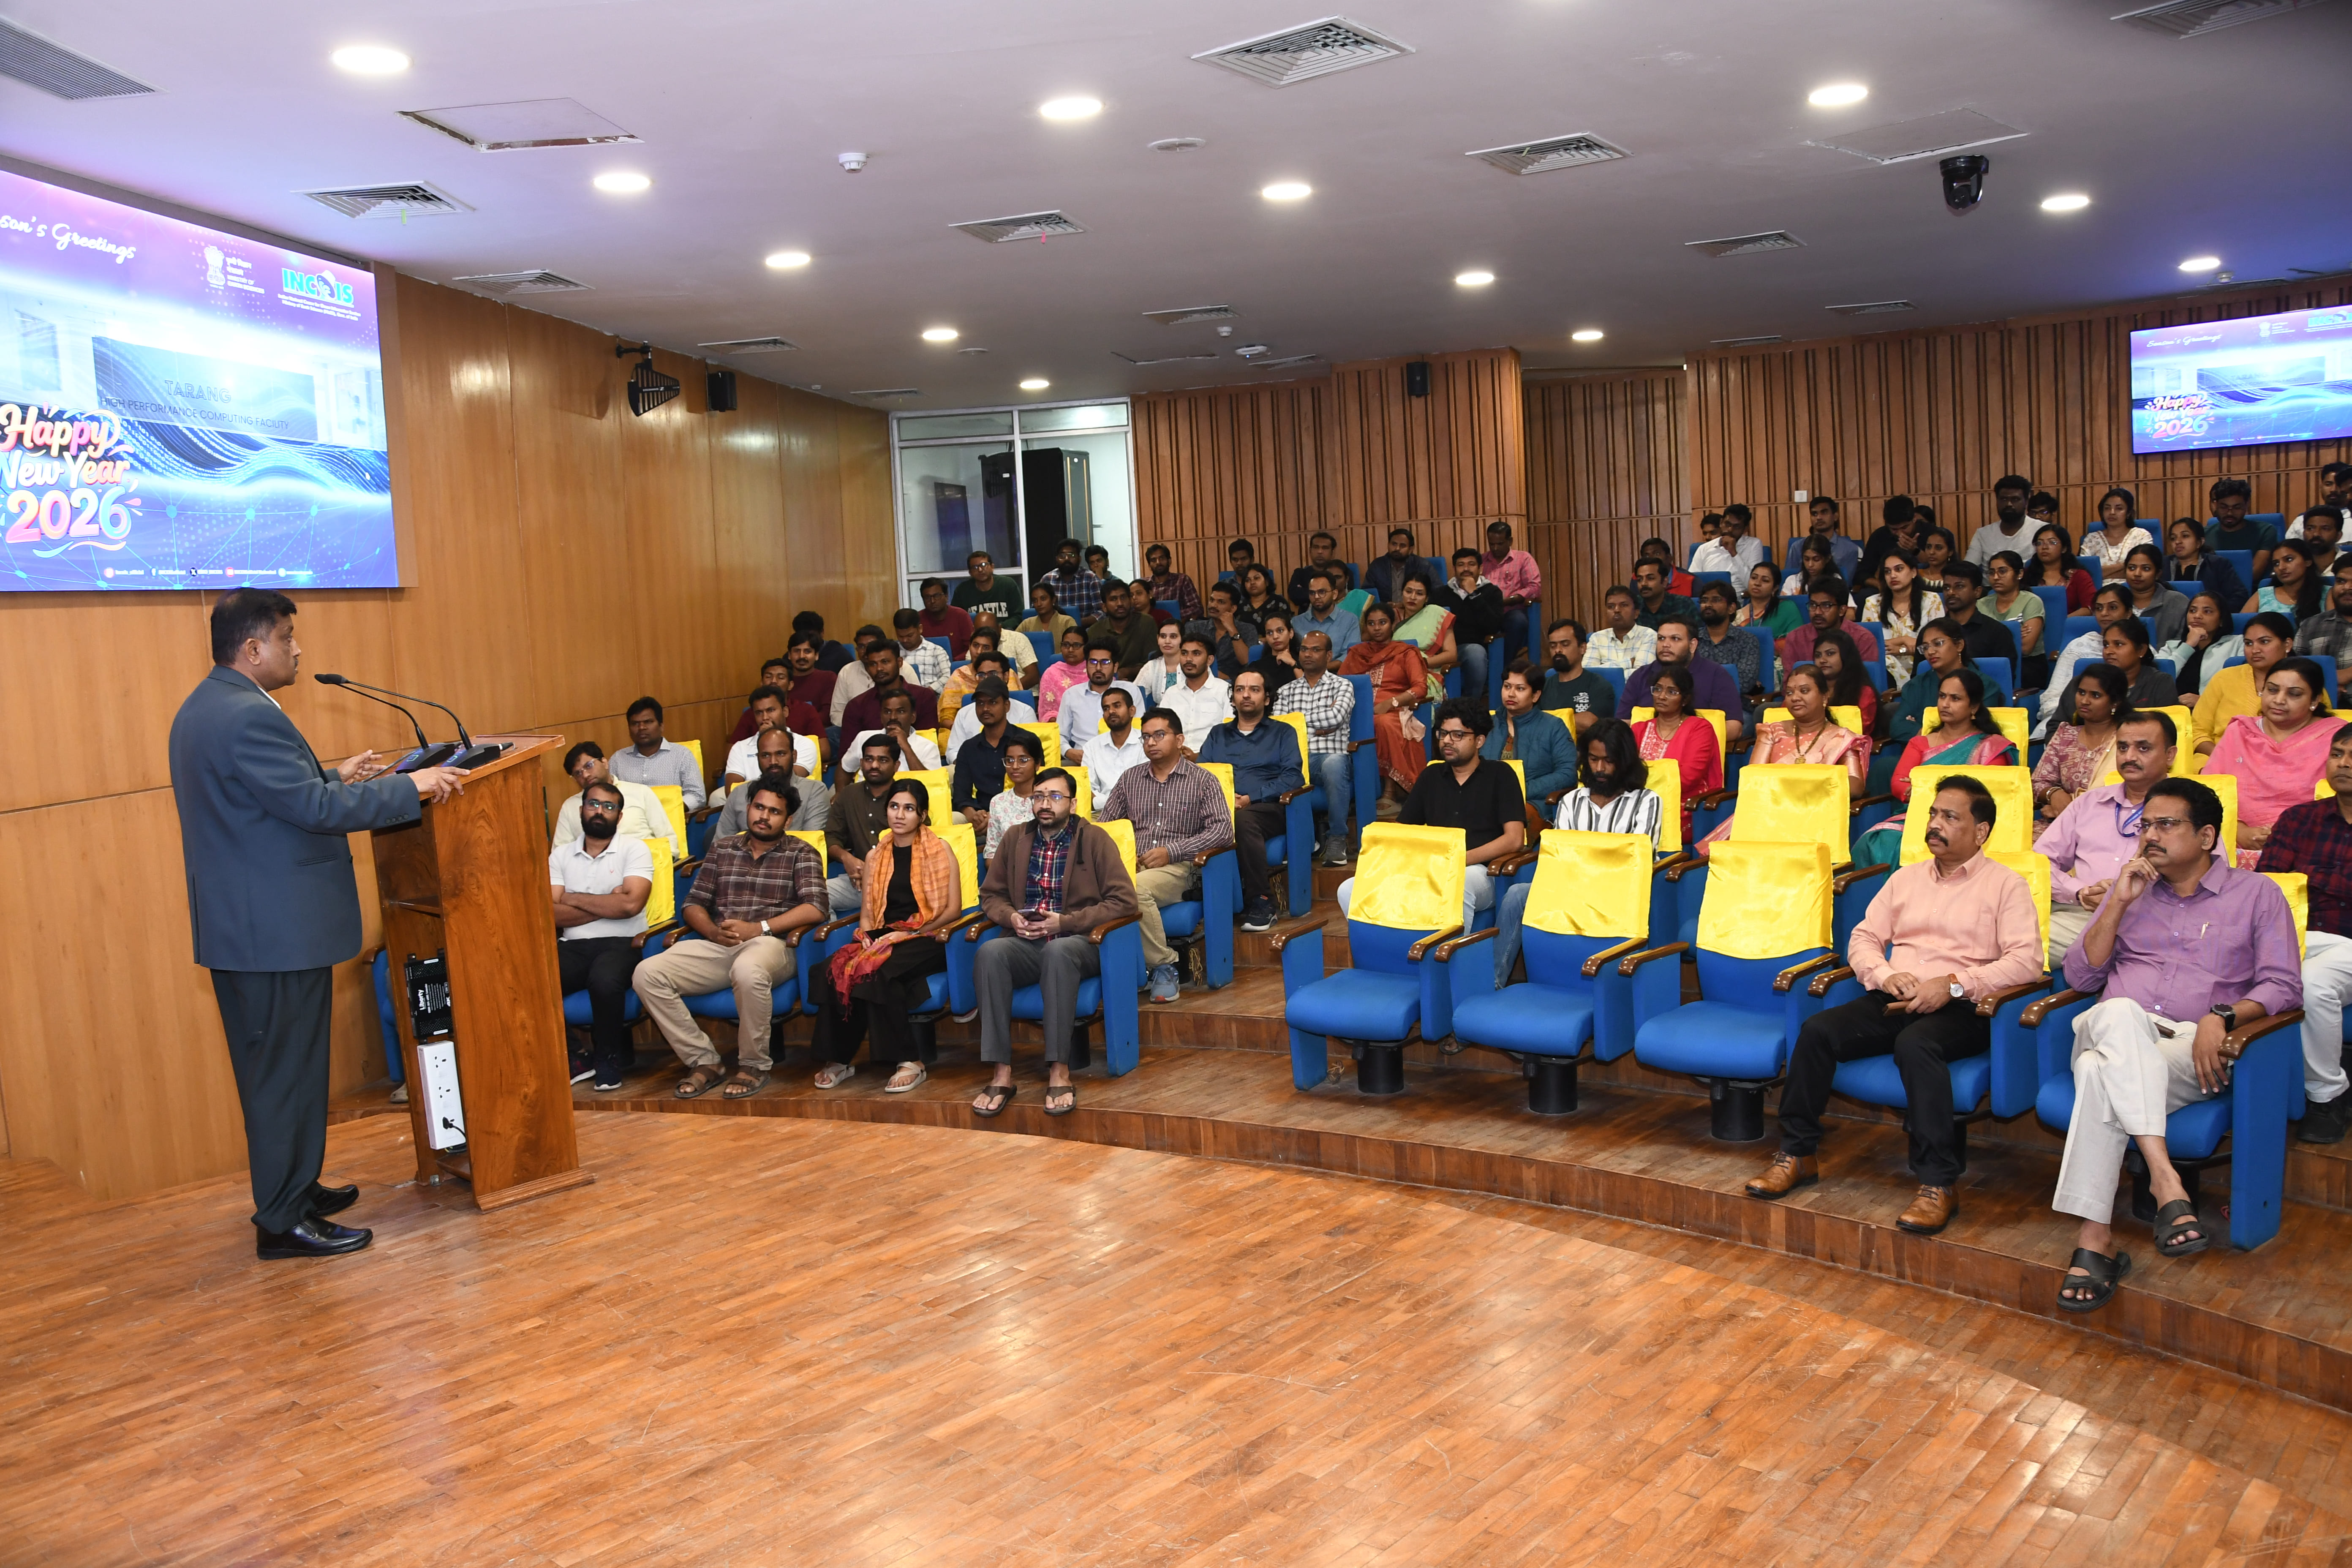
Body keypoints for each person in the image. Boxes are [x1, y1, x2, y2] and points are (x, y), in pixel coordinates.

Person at [168, 588, 466, 1260]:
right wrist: (409, 787)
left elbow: (264, 803)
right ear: (253, 648)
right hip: (271, 934)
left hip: (257, 930)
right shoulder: (246, 715)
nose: (298, 650)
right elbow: (312, 811)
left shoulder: (209, 705)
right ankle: (282, 1222)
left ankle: (294, 1190)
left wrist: (335, 776)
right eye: (287, 637)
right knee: (282, 1076)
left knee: (288, 1071)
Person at [2049, 778, 2300, 1310]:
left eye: (2166, 824)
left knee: (2096, 1072)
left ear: (2207, 836)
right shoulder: (2131, 889)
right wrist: (2118, 903)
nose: (2150, 836)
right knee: (2117, 1012)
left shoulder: (2258, 895)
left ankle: (2095, 1240)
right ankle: (2166, 1181)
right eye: (2145, 825)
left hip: (2190, 1050)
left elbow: (2284, 984)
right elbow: (2081, 975)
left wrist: (2224, 1015)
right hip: (2113, 1027)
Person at [1748, 776, 2040, 1233]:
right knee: (1818, 1031)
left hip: (1962, 1008)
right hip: (1895, 996)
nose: (1935, 824)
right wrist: (1886, 975)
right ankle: (1797, 1154)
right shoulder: (1905, 879)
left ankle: (1938, 1184)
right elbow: (1863, 938)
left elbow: (2027, 962)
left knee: (1916, 1045)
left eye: (1950, 817)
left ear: (1981, 832)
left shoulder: (2007, 886)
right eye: (1933, 814)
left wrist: (1954, 984)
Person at [634, 774, 828, 1101]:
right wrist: (712, 932)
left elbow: (816, 908)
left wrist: (760, 928)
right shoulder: (723, 848)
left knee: (747, 969)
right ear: (748, 808)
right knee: (647, 974)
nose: (764, 816)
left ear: (788, 820)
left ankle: (754, 1065)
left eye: (775, 812)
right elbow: (693, 904)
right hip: (719, 944)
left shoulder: (801, 852)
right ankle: (704, 1061)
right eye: (759, 807)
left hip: (772, 945)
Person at [970, 769, 1141, 1118]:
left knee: (1058, 951)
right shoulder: (1016, 838)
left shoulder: (1095, 839)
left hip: (1079, 943)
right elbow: (991, 895)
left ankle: (1059, 1071)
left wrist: (1066, 922)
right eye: (1039, 796)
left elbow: (1124, 902)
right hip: (1028, 941)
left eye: (1055, 797)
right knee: (990, 952)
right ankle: (1001, 1074)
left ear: (1073, 804)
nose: (1045, 804)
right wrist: (1011, 918)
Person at [808, 779, 962, 1094]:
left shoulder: (940, 849)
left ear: (922, 815)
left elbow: (953, 910)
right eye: (894, 807)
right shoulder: (876, 855)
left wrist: (908, 934)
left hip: (929, 936)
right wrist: (867, 938)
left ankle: (910, 1061)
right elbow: (868, 912)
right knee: (831, 969)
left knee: (877, 972)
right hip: (883, 935)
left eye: (909, 809)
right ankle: (840, 1059)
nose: (900, 815)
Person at [1336, 695, 1524, 934]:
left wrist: (1459, 861)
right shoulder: (1431, 776)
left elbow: (1514, 839)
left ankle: (1451, 956)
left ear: (1479, 741)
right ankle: (1384, 950)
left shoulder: (1501, 775)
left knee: (1458, 885)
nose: (1447, 741)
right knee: (1349, 889)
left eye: (1458, 735)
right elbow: (1403, 831)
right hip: (1430, 868)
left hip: (1482, 872)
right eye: (1443, 734)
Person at [1097, 708, 1232, 1003]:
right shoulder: (1130, 779)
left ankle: (1164, 966)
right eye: (1146, 737)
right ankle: (1116, 971)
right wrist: (1125, 854)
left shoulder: (1203, 780)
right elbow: (1106, 828)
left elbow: (1223, 832)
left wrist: (1172, 851)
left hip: (1182, 867)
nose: (1151, 742)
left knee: (1134, 890)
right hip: (1133, 864)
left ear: (1179, 740)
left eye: (1159, 735)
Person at [2260, 728, 2352, 1142]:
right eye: (2338, 754)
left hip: (2348, 946)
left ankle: (2327, 1096)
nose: (2344, 763)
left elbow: (2293, 883)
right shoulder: (2299, 819)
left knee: (2312, 985)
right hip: (2296, 938)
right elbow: (2268, 886)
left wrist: (2308, 880)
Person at [2038, 708, 2180, 966]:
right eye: (2123, 747)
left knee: (2020, 945)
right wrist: (2080, 892)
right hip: (2081, 916)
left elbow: (2210, 877)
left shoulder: (2188, 809)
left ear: (2170, 755)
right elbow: (2039, 864)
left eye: (2143, 748)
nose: (2130, 757)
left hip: (2153, 922)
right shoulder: (2089, 803)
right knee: (2002, 933)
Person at [1857, 662, 2018, 866]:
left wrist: (1923, 788)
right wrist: (1915, 793)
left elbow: (1988, 793)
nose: (1945, 704)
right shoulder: (1921, 743)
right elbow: (1899, 783)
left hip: (1964, 823)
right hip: (1918, 818)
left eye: (1956, 699)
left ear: (1974, 707)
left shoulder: (1990, 747)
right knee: (1875, 843)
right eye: (1942, 697)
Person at [550, 779, 654, 1093]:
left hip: (623, 944)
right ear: (581, 810)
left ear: (619, 816)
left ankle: (607, 1058)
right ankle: (575, 1057)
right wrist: (609, 902)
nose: (600, 811)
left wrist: (571, 898)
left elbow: (631, 905)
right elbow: (550, 913)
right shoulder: (560, 856)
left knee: (604, 981)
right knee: (528, 978)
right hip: (573, 944)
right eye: (593, 804)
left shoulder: (635, 849)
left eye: (609, 807)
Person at [1697, 666, 1869, 855]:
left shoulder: (1842, 738)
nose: (1795, 698)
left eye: (1804, 691)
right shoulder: (1772, 732)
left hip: (1816, 818)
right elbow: (1753, 778)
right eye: (1790, 693)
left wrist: (1804, 786)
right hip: (1768, 815)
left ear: (1825, 697)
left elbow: (1855, 786)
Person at [2205, 658, 2344, 868]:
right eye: (2272, 690)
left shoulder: (2337, 739)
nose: (2279, 700)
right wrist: (2237, 831)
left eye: (2294, 694)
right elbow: (2207, 793)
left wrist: (2288, 836)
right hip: (2232, 845)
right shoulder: (2240, 732)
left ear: (2315, 700)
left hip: (2313, 849)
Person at [1199, 668, 1305, 932]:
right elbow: (1202, 773)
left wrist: (1251, 798)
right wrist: (1225, 800)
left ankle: (1262, 901)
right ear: (1233, 698)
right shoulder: (1218, 734)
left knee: (1243, 820)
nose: (1246, 695)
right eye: (1240, 690)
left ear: (1267, 699)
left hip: (1268, 808)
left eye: (1254, 690)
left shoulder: (1283, 733)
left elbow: (1294, 777)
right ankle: (1200, 890)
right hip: (1222, 808)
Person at [1339, 600, 1432, 809]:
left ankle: (1389, 791)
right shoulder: (1357, 653)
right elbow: (1341, 684)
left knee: (1382, 723)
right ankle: (1354, 793)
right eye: (1372, 624)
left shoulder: (1406, 652)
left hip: (1394, 709)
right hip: (1356, 710)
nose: (1377, 628)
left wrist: (1391, 702)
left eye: (1383, 623)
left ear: (1393, 624)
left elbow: (1420, 688)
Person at [1276, 630, 1358, 866]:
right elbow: (1280, 726)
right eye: (1304, 649)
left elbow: (1336, 717)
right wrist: (1318, 725)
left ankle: (1338, 838)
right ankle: (1303, 840)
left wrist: (1297, 721)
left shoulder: (1343, 685)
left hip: (1328, 757)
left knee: (1334, 764)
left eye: (1316, 650)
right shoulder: (1286, 690)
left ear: (1329, 655)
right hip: (1294, 758)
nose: (1308, 654)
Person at [1618, 614, 1743, 742]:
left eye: (1675, 639)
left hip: (1697, 748)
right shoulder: (1641, 675)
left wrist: (1683, 740)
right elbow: (1623, 724)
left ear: (1693, 645)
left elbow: (1734, 728)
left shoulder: (1716, 675)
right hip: (1645, 749)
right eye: (1661, 638)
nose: (1665, 645)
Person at [2033, 664, 2126, 833]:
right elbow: (2038, 782)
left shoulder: (2127, 740)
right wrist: (2053, 794)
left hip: (2111, 827)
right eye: (2081, 693)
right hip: (2058, 825)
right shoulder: (2065, 735)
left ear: (2115, 702)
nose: (2084, 701)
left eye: (2095, 695)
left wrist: (2072, 806)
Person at [2035, 585, 2136, 740]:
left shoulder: (2140, 650)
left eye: (2113, 608)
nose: (2104, 613)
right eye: (2099, 608)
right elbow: (2054, 696)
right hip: (2074, 720)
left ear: (2129, 612)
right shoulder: (2079, 647)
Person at [1631, 665, 1722, 837]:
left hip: (1683, 806)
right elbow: (1622, 769)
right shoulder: (1638, 730)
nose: (1662, 696)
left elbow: (1687, 778)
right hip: (1637, 802)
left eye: (1672, 692)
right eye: (1658, 689)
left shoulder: (1700, 729)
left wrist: (1638, 779)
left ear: (1685, 699)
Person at [2191, 611, 2295, 755]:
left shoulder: (2304, 682)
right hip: (2219, 759)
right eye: (2249, 644)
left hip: (2285, 761)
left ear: (2287, 644)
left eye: (2264, 642)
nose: (2255, 650)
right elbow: (2197, 730)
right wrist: (2223, 757)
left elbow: (2319, 732)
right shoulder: (2224, 679)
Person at [554, 741, 680, 858]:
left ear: (605, 763)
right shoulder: (570, 806)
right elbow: (560, 854)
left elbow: (669, 841)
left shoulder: (640, 792)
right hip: (594, 870)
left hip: (646, 865)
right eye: (578, 773)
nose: (585, 775)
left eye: (589, 766)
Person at [825, 731, 901, 914]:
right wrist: (847, 859)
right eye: (869, 759)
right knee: (815, 895)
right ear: (861, 763)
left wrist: (876, 871)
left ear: (896, 766)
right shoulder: (849, 794)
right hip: (859, 881)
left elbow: (921, 843)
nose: (874, 765)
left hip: (902, 882)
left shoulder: (906, 796)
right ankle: (833, 933)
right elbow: (831, 836)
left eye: (883, 760)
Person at [2048, 618, 2177, 725]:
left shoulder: (2160, 683)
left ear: (2141, 650)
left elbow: (2168, 730)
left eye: (2118, 644)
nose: (2109, 651)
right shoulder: (2083, 684)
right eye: (2106, 645)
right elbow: (2056, 726)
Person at [1483, 662, 1577, 806]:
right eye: (1507, 687)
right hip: (1485, 800)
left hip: (1532, 801)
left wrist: (1520, 789)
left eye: (1520, 689)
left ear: (1536, 695)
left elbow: (1568, 774)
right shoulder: (1485, 724)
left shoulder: (1553, 727)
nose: (1511, 694)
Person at [712, 725, 826, 840]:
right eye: (766, 755)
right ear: (758, 759)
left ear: (794, 756)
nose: (773, 762)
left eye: (781, 754)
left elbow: (813, 843)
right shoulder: (739, 793)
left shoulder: (814, 791)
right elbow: (720, 843)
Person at [720, 685, 819, 798]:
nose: (765, 718)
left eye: (771, 710)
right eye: (759, 713)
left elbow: (788, 782)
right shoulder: (740, 748)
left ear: (785, 712)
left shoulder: (805, 744)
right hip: (748, 803)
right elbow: (733, 791)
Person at [1861, 549, 1942, 688]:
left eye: (1899, 569)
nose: (1893, 575)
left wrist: (1900, 649)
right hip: (1887, 675)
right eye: (1887, 572)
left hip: (1925, 668)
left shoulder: (1932, 600)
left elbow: (1937, 644)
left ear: (1914, 572)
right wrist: (1906, 641)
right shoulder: (1873, 604)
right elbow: (1868, 647)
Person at [610, 696, 706, 810]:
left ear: (661, 726)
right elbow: (608, 796)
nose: (641, 728)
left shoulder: (682, 755)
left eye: (648, 722)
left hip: (671, 816)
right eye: (635, 724)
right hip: (630, 818)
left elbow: (697, 795)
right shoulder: (618, 759)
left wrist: (671, 809)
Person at [948, 676, 1019, 829]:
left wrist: (997, 817)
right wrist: (974, 816)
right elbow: (961, 796)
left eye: (992, 703)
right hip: (980, 815)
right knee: (954, 820)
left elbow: (1035, 788)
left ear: (1007, 706)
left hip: (1019, 812)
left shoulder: (1025, 742)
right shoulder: (969, 748)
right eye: (980, 703)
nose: (985, 708)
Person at [1433, 547, 1505, 697]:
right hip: (1444, 649)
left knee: (1475, 653)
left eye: (1471, 564)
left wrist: (1474, 594)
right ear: (1454, 569)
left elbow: (1493, 626)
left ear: (1481, 568)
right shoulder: (1440, 594)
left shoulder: (1492, 592)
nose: (1466, 569)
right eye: (1461, 565)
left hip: (1476, 647)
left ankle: (1472, 703)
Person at [1058, 640, 1147, 760]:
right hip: (1083, 759)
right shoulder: (1072, 695)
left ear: (1115, 667)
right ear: (1086, 665)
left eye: (1105, 662)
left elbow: (1141, 730)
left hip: (1124, 758)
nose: (1098, 668)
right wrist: (1069, 752)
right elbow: (1060, 735)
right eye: (1093, 662)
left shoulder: (1131, 691)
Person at [840, 638, 941, 739]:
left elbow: (929, 742)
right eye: (873, 664)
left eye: (885, 662)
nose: (879, 668)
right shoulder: (856, 706)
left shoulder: (923, 697)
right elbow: (849, 748)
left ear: (900, 663)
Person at [1692, 582, 1764, 722]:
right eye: (1704, 601)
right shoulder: (1691, 640)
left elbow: (1745, 682)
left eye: (1716, 600)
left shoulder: (1748, 641)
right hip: (1696, 707)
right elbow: (1683, 678)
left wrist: (1702, 684)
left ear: (1732, 608)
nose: (1708, 605)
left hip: (1737, 709)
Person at [1777, 577, 1882, 670]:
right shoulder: (1795, 638)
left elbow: (1865, 681)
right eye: (1813, 605)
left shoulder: (1863, 639)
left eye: (1826, 606)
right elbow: (1789, 682)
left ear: (1842, 610)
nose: (1817, 612)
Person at [839, 687, 941, 782]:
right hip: (865, 795)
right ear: (881, 717)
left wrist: (906, 747)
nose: (893, 717)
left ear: (913, 717)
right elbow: (845, 768)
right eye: (887, 712)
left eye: (901, 711)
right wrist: (840, 792)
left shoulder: (928, 747)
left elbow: (930, 784)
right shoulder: (864, 738)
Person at [2156, 590, 2242, 697]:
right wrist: (2188, 646)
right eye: (2192, 611)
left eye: (2207, 612)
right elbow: (2157, 683)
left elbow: (2243, 685)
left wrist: (2204, 701)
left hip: (2217, 706)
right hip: (2173, 706)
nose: (2197, 616)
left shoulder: (2238, 644)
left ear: (2222, 620)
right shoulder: (2171, 647)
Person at [1481, 519, 1543, 661]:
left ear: (1510, 541)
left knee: (1518, 621)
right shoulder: (1482, 561)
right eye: (1492, 544)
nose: (1495, 548)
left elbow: (1534, 587)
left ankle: (1504, 665)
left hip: (1512, 610)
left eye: (1500, 544)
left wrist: (1508, 601)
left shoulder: (1523, 559)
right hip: (1486, 612)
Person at [1539, 618, 1617, 731]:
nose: (1558, 650)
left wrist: (1543, 720)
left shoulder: (1599, 685)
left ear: (1582, 648)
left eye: (1565, 645)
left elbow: (1589, 723)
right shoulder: (1542, 686)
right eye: (1553, 646)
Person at [2294, 557, 2352, 707]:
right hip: (2318, 710)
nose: (2347, 587)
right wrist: (2328, 688)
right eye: (2341, 581)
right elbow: (2294, 671)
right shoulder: (2311, 626)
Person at [1161, 631, 1234, 745]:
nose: (1189, 659)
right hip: (1177, 754)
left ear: (1210, 660)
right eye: (1184, 653)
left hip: (1211, 754)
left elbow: (1230, 733)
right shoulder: (1171, 693)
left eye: (1196, 654)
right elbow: (1161, 730)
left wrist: (1200, 754)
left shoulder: (1225, 691)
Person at [2164, 515, 2250, 613]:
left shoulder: (2218, 565)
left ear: (2200, 542)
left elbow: (2239, 596)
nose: (2178, 542)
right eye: (2173, 538)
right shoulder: (2163, 565)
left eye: (2185, 536)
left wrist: (2216, 613)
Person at [982, 727, 1046, 858]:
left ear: (1037, 764)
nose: (1015, 767)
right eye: (1010, 761)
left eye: (1023, 760)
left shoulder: (1048, 800)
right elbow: (992, 854)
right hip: (1008, 868)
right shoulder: (998, 802)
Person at [1983, 551, 2046, 681]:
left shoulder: (2032, 601)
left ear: (2020, 574)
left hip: (2027, 665)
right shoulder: (1981, 604)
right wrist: (2015, 634)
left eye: (2002, 571)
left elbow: (2026, 648)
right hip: (1990, 663)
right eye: (1992, 572)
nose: (1996, 577)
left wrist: (1991, 637)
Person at [2205, 477, 2277, 584]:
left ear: (2247, 504)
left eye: (2237, 508)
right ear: (2216, 506)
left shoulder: (2265, 531)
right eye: (2224, 507)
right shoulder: (2202, 535)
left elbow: (2253, 574)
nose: (2230, 513)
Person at [1080, 685, 1146, 801]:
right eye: (1106, 709)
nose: (1111, 711)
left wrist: (1101, 801)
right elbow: (1088, 790)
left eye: (1117, 706)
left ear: (1132, 711)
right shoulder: (1092, 747)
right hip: (1101, 811)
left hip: (1140, 808)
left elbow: (1146, 789)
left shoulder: (1147, 743)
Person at [1812, 628, 1878, 736]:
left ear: (1846, 657)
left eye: (1830, 654)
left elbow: (1859, 731)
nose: (1823, 660)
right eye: (1818, 656)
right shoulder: (1810, 689)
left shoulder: (1863, 693)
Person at [1085, 580, 1157, 678]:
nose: (1120, 603)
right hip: (1106, 682)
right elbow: (1092, 666)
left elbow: (1153, 663)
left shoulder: (1147, 623)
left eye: (1123, 598)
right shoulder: (1095, 631)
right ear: (1105, 607)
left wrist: (1127, 672)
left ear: (1131, 601)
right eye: (1113, 599)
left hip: (1142, 680)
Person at [2079, 487, 2153, 581]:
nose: (2112, 512)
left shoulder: (2142, 536)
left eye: (2119, 509)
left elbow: (2145, 571)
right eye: (2107, 508)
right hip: (2099, 589)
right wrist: (2126, 566)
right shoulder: (2092, 539)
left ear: (2129, 513)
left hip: (2133, 588)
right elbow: (2085, 574)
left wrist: (2100, 573)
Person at [1783, 493, 1862, 581]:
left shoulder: (1850, 549)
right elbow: (1789, 579)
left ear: (1835, 516)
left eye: (1824, 512)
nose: (1819, 517)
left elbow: (1847, 583)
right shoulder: (1797, 547)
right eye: (1815, 514)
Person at [938, 641, 1018, 728]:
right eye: (982, 675)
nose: (987, 679)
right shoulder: (964, 714)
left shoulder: (1023, 711)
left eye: (993, 674)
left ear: (1006, 676)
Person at [1965, 475, 2039, 567]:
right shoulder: (1983, 534)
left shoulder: (2041, 530)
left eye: (2015, 499)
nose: (2009, 504)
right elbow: (1969, 568)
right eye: (2004, 499)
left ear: (2026, 502)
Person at [1858, 494, 1926, 593]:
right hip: (1889, 587)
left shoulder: (1930, 533)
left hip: (1923, 585)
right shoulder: (1879, 536)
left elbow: (1937, 566)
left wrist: (1915, 551)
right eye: (1894, 529)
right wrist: (1880, 585)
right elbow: (1863, 574)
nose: (1900, 534)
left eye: (1905, 528)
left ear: (1915, 518)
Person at [826, 625, 891, 727]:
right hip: (856, 730)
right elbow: (836, 713)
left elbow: (914, 706)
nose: (866, 651)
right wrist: (858, 725)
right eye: (861, 647)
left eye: (871, 645)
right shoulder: (847, 671)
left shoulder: (901, 669)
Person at [2249, 538, 2326, 624]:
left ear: (2308, 562)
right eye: (2276, 564)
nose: (2281, 568)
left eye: (2289, 560)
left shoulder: (2327, 594)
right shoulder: (2263, 595)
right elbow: (2242, 628)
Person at [2023, 523, 2097, 612]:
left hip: (2068, 621)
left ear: (2064, 548)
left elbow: (2089, 608)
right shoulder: (2025, 575)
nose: (2045, 547)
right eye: (2039, 543)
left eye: (2052, 543)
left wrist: (2061, 620)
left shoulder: (2079, 576)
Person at [726, 654, 795, 748]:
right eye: (768, 677)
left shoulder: (806, 711)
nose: (774, 681)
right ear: (762, 683)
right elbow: (732, 749)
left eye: (781, 678)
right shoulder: (750, 714)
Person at [1293, 566, 1361, 660]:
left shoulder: (1350, 620)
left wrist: (1322, 667)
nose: (1316, 597)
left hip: (1340, 669)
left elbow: (1351, 655)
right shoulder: (1296, 623)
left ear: (1334, 594)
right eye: (1312, 593)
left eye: (1322, 592)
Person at [1585, 586, 1658, 673]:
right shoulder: (1597, 638)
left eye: (1624, 605)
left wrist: (1603, 671)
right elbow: (1588, 674)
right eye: (1611, 607)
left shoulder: (1649, 636)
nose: (1617, 610)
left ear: (1636, 613)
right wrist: (1629, 662)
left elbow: (1641, 676)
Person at [1039, 537, 1103, 625]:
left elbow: (1102, 612)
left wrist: (1076, 623)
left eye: (1072, 555)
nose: (1067, 559)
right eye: (1062, 556)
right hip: (1054, 629)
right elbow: (1037, 610)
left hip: (1085, 629)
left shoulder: (1091, 579)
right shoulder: (1047, 580)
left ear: (1079, 559)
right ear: (1057, 559)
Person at [1691, 502, 1765, 574]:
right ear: (1721, 523)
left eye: (1737, 527)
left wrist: (1734, 553)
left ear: (1745, 529)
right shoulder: (1704, 549)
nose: (1730, 529)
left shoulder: (1753, 545)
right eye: (1727, 524)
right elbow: (1693, 579)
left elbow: (1752, 581)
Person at [951, 549, 1021, 626]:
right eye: (975, 567)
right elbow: (956, 619)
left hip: (1005, 631)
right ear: (970, 573)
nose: (980, 570)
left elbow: (1018, 615)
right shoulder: (962, 591)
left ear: (992, 567)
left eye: (984, 565)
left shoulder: (1007, 584)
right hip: (975, 632)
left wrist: (998, 628)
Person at [892, 605, 955, 689]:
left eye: (910, 636)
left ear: (920, 629)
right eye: (900, 636)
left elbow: (947, 677)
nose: (905, 640)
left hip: (931, 694)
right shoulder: (892, 653)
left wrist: (928, 692)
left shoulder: (936, 651)